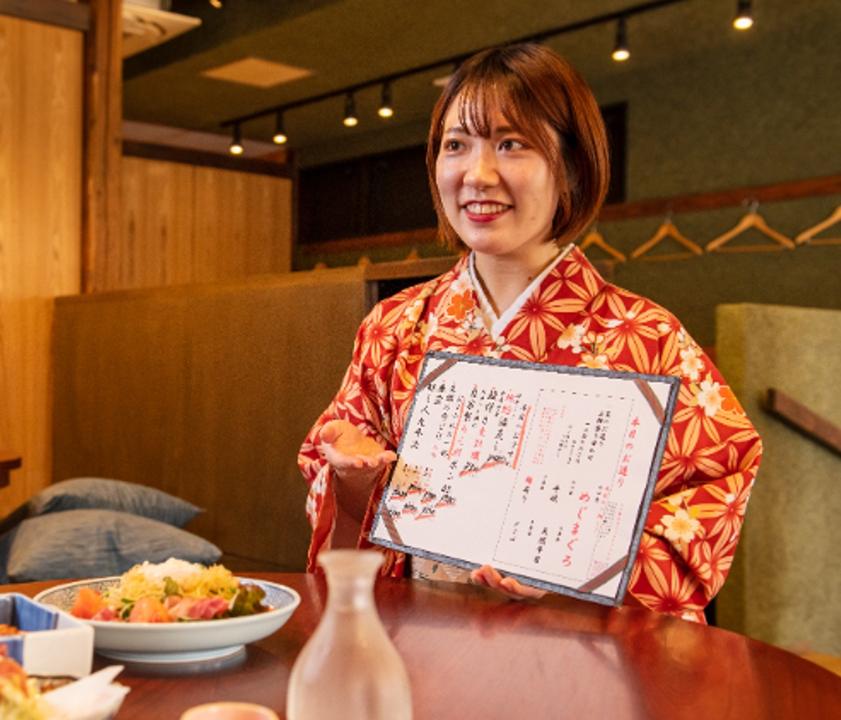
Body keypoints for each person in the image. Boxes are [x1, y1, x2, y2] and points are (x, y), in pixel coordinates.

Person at [298, 43, 761, 623]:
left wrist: (573, 569)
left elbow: (718, 479)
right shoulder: (395, 326)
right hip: (420, 643)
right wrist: (350, 481)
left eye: (512, 144)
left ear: (570, 165)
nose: (477, 174)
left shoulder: (647, 338)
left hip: (579, 655)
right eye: (456, 145)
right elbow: (338, 508)